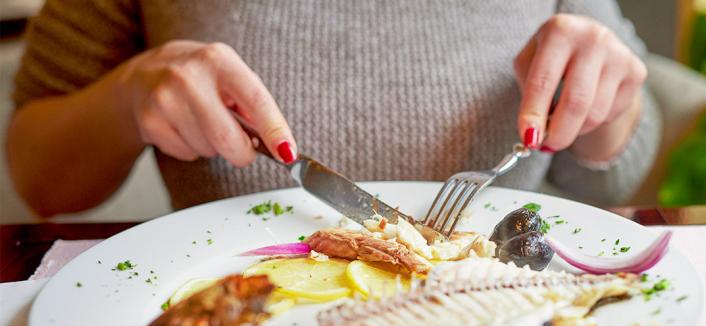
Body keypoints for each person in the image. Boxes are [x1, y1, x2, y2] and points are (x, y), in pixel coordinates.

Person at [6, 0, 660, 217]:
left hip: (504, 309)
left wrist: (604, 109)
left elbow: (612, 171)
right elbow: (40, 180)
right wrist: (127, 97)